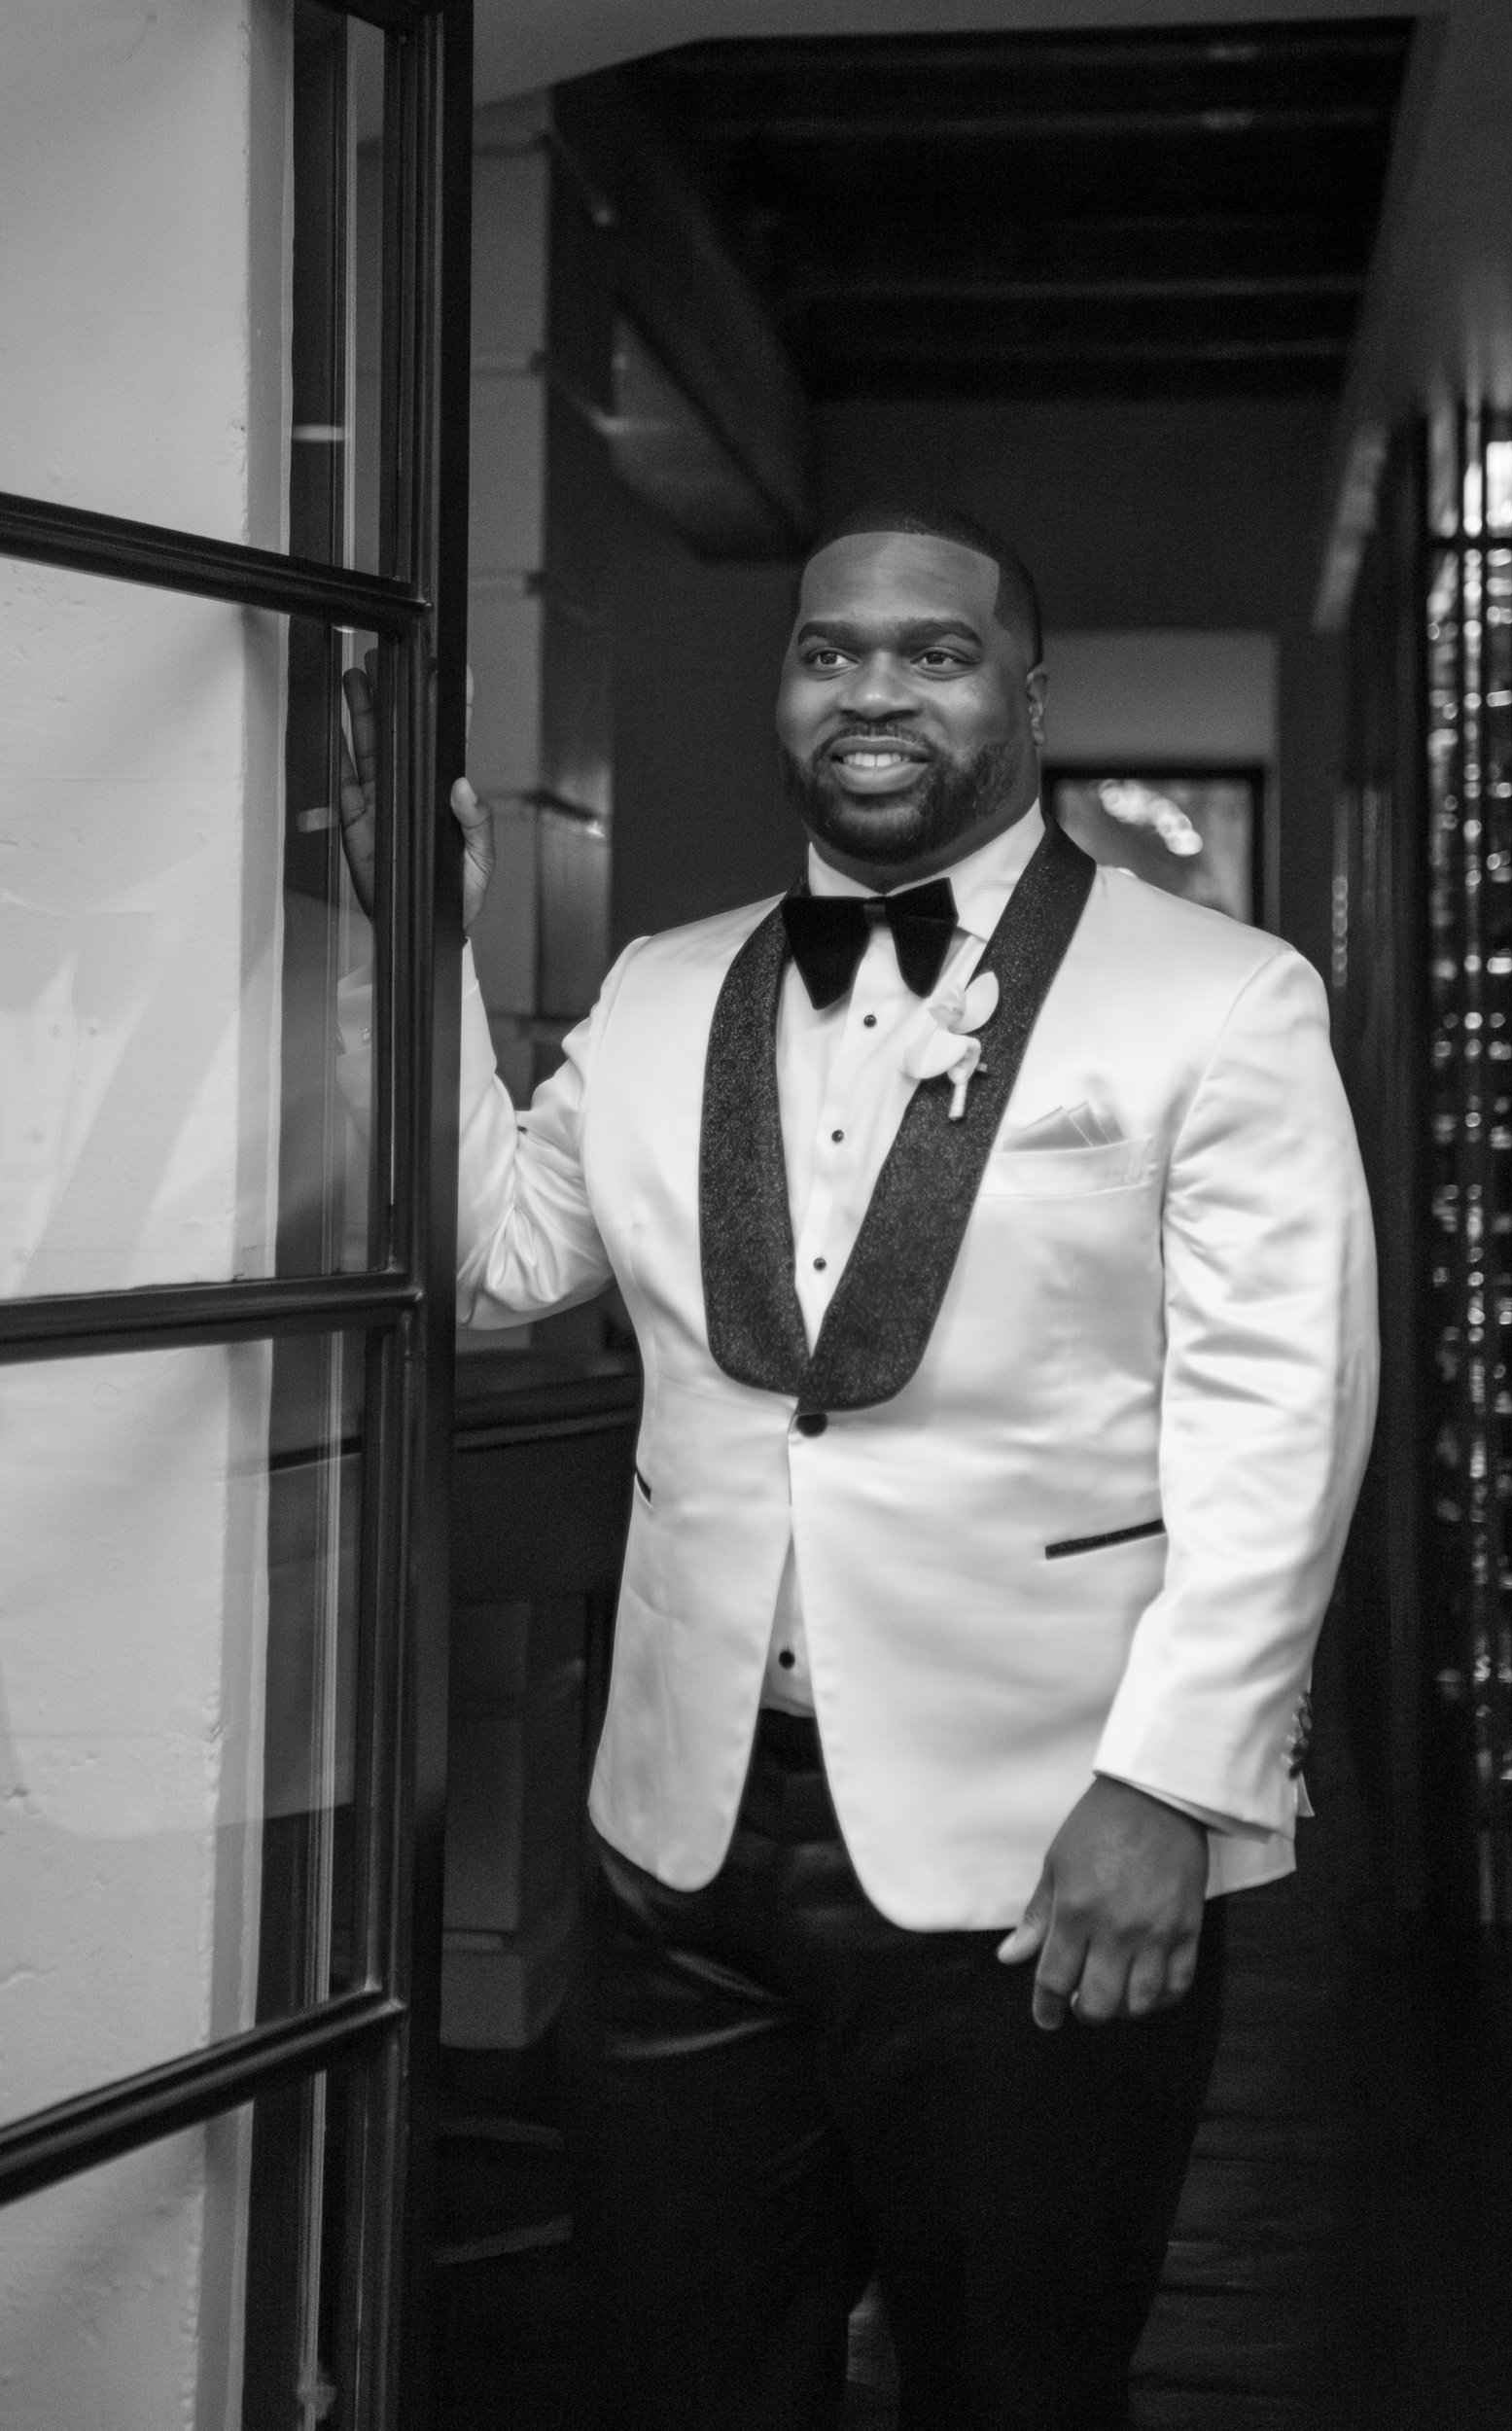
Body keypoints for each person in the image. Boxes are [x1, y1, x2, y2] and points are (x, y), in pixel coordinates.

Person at [339, 506, 1378, 2429]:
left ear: (1028, 692)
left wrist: (1175, 1785)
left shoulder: (1220, 996)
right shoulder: (659, 984)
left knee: (1016, 2382)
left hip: (1039, 1846)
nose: (874, 687)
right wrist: (422, 945)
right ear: (788, 685)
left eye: (934, 649)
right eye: (832, 650)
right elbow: (495, 1260)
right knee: (683, 2373)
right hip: (680, 1844)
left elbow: (1280, 1421)